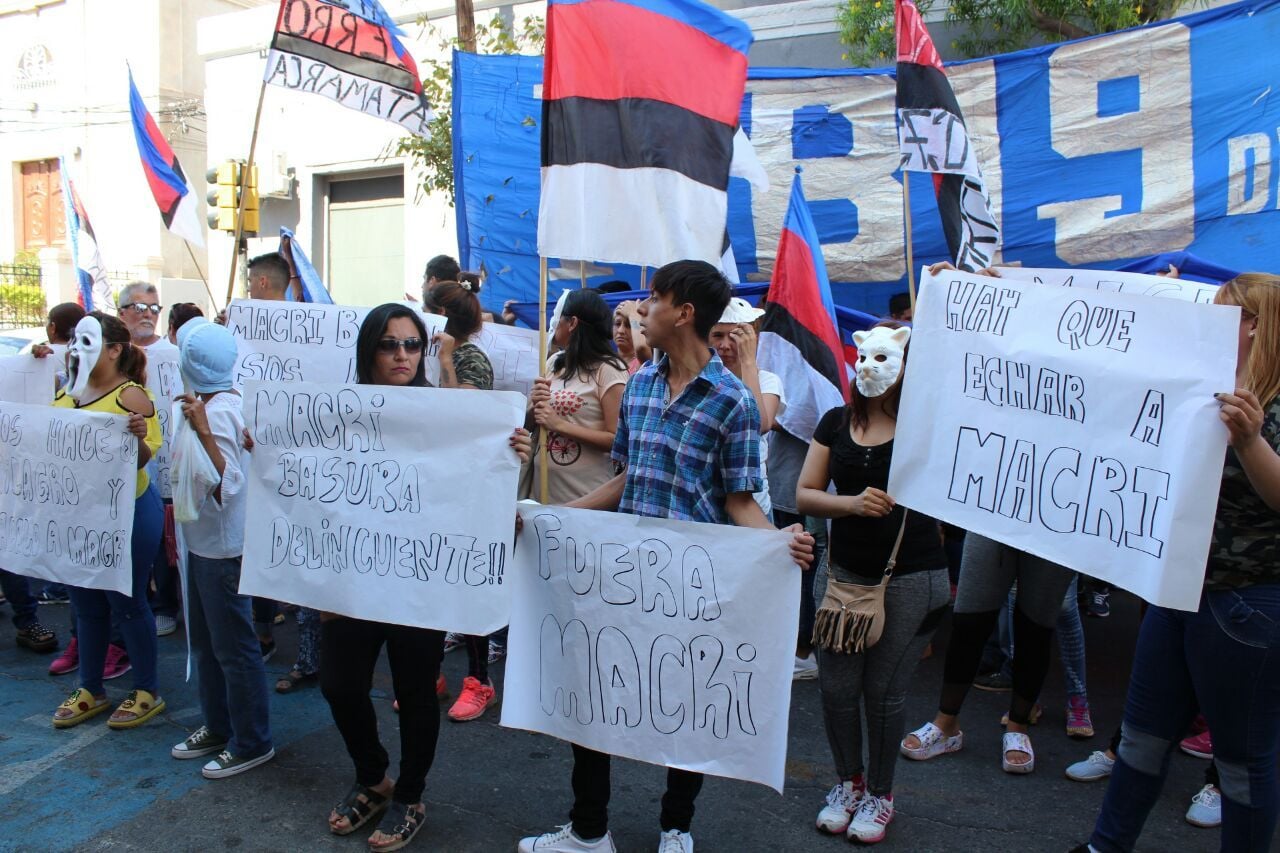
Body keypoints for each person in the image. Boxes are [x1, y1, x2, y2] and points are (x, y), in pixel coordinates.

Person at [518, 259, 814, 853]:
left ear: (683, 312)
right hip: (623, 577)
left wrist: (779, 544)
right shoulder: (642, 386)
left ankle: (676, 827)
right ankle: (588, 831)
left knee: (687, 703)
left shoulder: (733, 402)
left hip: (689, 588)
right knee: (595, 693)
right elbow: (627, 478)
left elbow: (738, 500)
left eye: (653, 298)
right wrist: (554, 519)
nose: (641, 309)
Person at [1074, 273, 1280, 853]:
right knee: (1140, 738)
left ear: (1254, 325)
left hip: (1247, 600)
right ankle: (1105, 847)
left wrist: (1250, 441)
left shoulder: (1269, 402)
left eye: (1223, 313)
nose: (1207, 322)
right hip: (1177, 590)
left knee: (1241, 762)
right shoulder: (1199, 382)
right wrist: (988, 287)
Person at [321, 303, 530, 851]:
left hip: (420, 579)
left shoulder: (448, 413)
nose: (402, 355)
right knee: (339, 684)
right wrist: (271, 451)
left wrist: (514, 455)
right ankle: (373, 778)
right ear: (369, 350)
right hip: (353, 578)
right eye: (389, 344)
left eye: (412, 344)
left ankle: (410, 794)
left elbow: (474, 480)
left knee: (415, 692)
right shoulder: (338, 413)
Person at [901, 263, 1075, 776]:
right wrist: (961, 291)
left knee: (1036, 624)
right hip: (994, 507)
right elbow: (959, 351)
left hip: (1057, 513)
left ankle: (1018, 725)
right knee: (971, 617)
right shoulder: (997, 358)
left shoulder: (1077, 366)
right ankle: (946, 723)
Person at [797, 322, 951, 845]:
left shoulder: (925, 424)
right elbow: (806, 493)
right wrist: (851, 504)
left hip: (911, 578)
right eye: (863, 357)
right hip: (841, 575)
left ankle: (881, 795)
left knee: (883, 694)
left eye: (883, 359)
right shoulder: (836, 422)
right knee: (837, 691)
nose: (868, 367)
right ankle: (849, 784)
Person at [167, 318, 275, 778]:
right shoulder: (211, 404)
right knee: (208, 646)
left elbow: (226, 486)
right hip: (203, 545)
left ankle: (251, 741)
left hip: (223, 551)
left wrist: (204, 433)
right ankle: (218, 725)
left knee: (233, 649)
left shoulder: (217, 412)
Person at [51, 312, 165, 729]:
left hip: (127, 514)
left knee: (127, 603)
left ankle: (147, 689)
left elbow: (143, 459)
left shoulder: (131, 396)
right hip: (79, 515)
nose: (75, 348)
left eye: (87, 340)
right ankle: (91, 687)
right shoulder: (66, 393)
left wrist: (136, 438)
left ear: (115, 350)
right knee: (85, 603)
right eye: (73, 340)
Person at [423, 280, 504, 720]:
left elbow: (464, 417)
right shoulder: (419, 355)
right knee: (431, 585)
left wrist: (445, 361)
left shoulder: (469, 358)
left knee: (466, 584)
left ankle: (479, 681)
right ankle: (431, 674)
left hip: (468, 490)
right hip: (433, 487)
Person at [116, 282, 183, 638]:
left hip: (165, 459)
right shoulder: (111, 354)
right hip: (118, 465)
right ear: (121, 312)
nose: (148, 315)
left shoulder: (175, 354)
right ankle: (132, 603)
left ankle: (164, 606)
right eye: (140, 307)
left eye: (155, 308)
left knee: (161, 538)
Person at [529, 289, 629, 505]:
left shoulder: (609, 370)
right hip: (542, 493)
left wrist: (559, 425)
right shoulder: (553, 363)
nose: (553, 324)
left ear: (572, 323)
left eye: (558, 317)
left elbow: (617, 440)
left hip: (584, 499)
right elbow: (533, 423)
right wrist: (533, 405)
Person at [242, 252, 294, 657]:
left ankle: (265, 628)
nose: (247, 291)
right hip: (264, 447)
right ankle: (265, 623)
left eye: (249, 284)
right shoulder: (242, 329)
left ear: (261, 282)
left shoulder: (312, 329)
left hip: (284, 452)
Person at [707, 297, 784, 519]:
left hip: (753, 505)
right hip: (706, 504)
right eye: (718, 335)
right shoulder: (700, 379)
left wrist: (748, 361)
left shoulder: (767, 380)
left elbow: (759, 424)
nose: (725, 345)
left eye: (735, 336)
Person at [612, 300, 652, 374]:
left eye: (629, 325)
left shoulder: (645, 361)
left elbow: (641, 348)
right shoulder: (607, 363)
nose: (621, 331)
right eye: (617, 324)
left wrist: (633, 313)